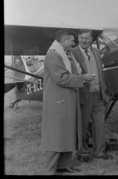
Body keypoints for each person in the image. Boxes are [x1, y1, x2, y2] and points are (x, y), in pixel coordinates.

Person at [41, 29, 95, 175]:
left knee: (68, 133)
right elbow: (62, 78)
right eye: (72, 40)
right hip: (58, 101)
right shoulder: (53, 55)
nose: (74, 43)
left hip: (68, 100)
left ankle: (63, 165)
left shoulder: (66, 54)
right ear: (63, 41)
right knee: (57, 135)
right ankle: (50, 169)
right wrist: (83, 78)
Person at [71, 29, 112, 161]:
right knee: (82, 126)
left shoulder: (95, 51)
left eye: (87, 38)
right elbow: (70, 75)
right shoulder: (72, 52)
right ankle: (82, 153)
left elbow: (100, 72)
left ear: (91, 40)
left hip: (98, 93)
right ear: (78, 38)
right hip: (84, 95)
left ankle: (99, 151)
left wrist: (104, 90)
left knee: (99, 124)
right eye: (81, 37)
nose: (84, 40)